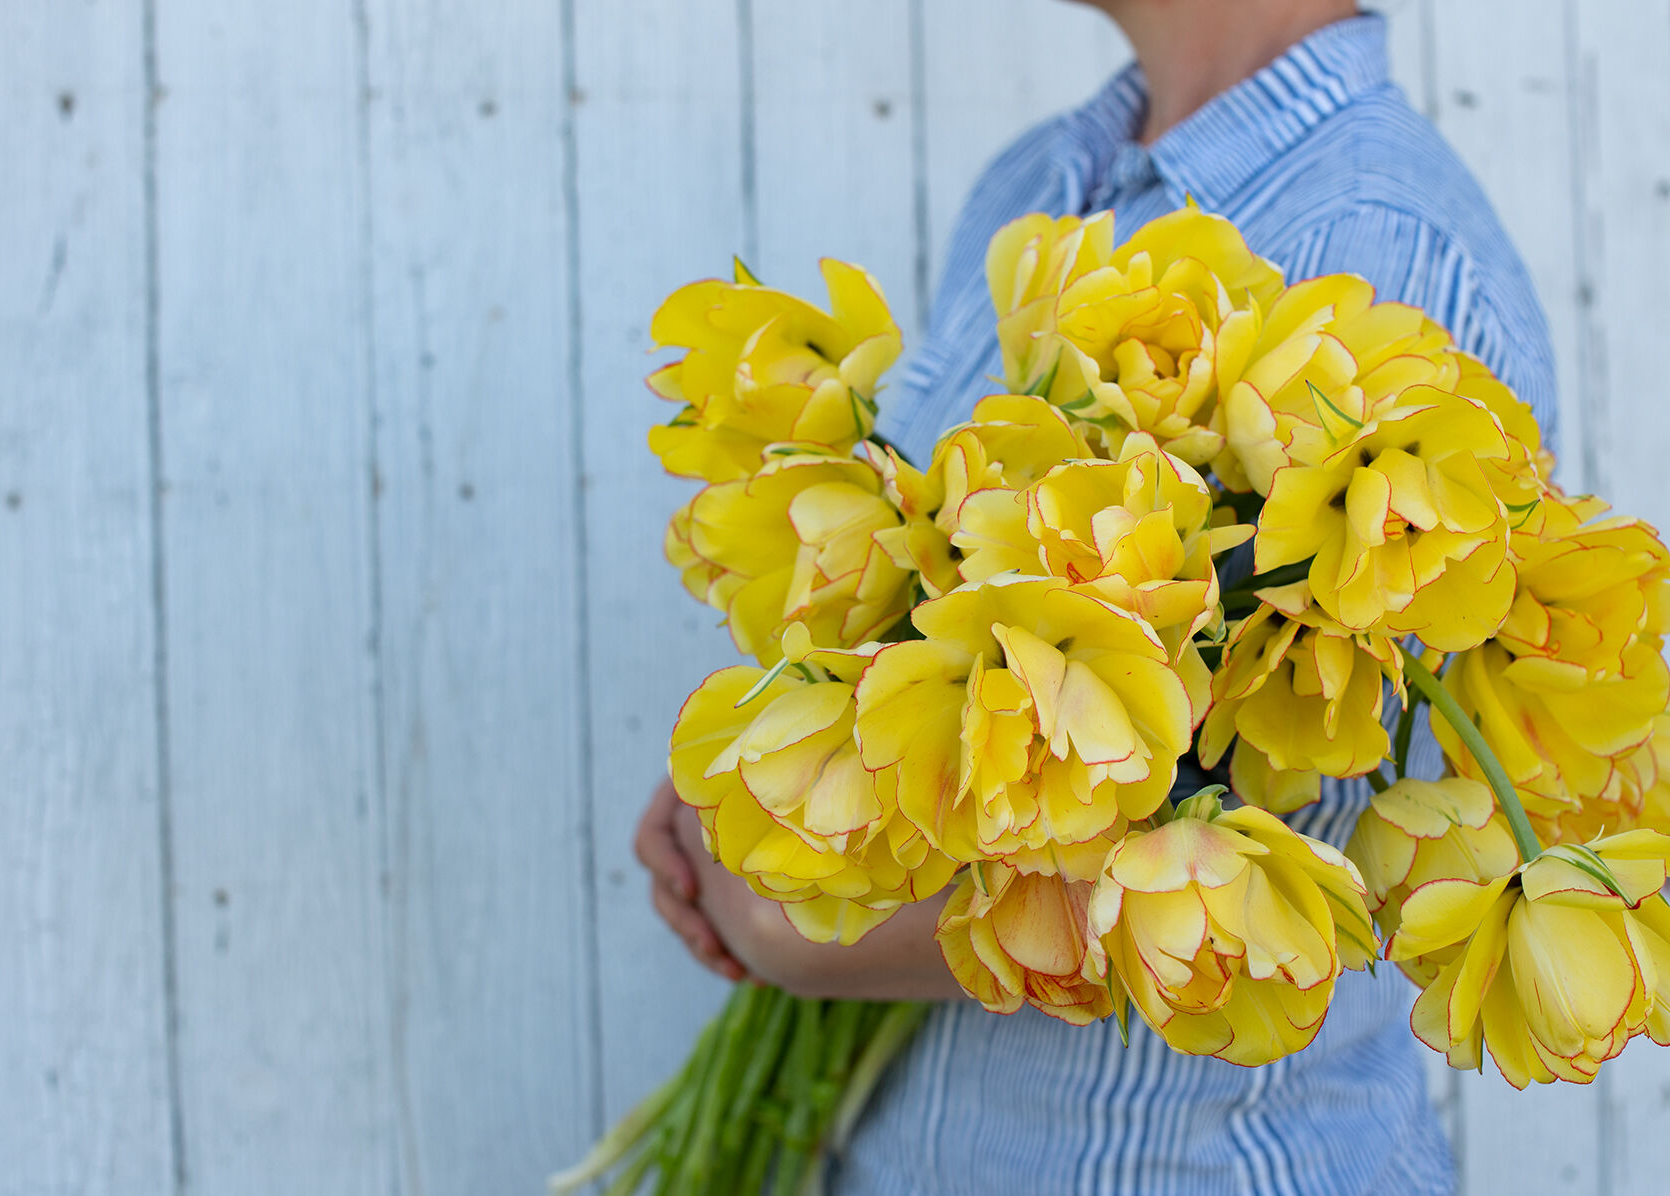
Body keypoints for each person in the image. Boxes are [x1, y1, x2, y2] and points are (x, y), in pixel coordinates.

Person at [635, 2, 1556, 1191]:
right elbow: (910, 599)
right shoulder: (1048, 178)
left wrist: (811, 911)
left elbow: (1313, 834)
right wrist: (769, 778)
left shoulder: (1378, 237)